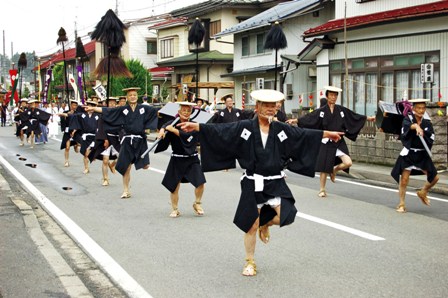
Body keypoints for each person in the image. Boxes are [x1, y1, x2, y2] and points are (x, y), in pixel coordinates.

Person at [178, 89, 342, 276]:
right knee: (251, 225)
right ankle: (250, 261)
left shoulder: (280, 128)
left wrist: (327, 133)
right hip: (252, 181)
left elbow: (302, 135)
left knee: (287, 215)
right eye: (266, 106)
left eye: (273, 106)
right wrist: (197, 127)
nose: (271, 109)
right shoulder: (245, 127)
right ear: (257, 107)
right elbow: (222, 130)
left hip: (274, 181)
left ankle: (266, 224)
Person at [287, 86, 375, 198]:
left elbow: (353, 116)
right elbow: (310, 118)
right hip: (327, 140)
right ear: (327, 96)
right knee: (324, 167)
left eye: (335, 95)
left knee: (348, 162)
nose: (333, 97)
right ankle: (322, 189)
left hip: (338, 140)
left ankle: (334, 170)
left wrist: (368, 118)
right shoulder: (322, 111)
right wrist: (295, 120)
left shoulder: (341, 110)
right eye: (331, 95)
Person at [84, 87, 158, 199]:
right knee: (127, 167)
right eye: (130, 95)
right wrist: (94, 108)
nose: (132, 96)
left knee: (145, 166)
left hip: (140, 140)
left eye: (134, 95)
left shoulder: (144, 108)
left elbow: (157, 113)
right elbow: (108, 111)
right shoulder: (123, 110)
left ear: (137, 96)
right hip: (128, 140)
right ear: (127, 98)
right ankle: (126, 190)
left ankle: (120, 163)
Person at [155, 101, 206, 218]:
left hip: (192, 158)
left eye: (188, 111)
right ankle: (175, 209)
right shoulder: (173, 123)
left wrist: (173, 130)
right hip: (177, 158)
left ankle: (197, 203)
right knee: (174, 185)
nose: (186, 113)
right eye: (184, 110)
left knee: (200, 183)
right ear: (179, 112)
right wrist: (163, 130)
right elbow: (164, 126)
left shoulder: (193, 125)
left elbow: (188, 138)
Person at [391, 99, 439, 213]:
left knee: (435, 177)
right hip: (409, 153)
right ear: (413, 109)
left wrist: (422, 130)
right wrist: (416, 127)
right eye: (418, 108)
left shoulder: (427, 122)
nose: (421, 110)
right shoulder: (408, 119)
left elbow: (431, 136)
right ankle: (401, 203)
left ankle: (423, 192)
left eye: (423, 108)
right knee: (404, 179)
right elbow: (406, 128)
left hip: (422, 154)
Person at [88, 97, 121, 186]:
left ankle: (113, 164)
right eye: (110, 103)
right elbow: (101, 128)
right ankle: (105, 178)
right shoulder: (103, 115)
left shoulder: (118, 114)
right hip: (106, 138)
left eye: (114, 103)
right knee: (105, 160)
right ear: (107, 104)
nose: (112, 105)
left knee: (122, 156)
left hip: (116, 139)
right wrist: (105, 139)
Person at [71, 97, 101, 174]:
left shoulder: (97, 116)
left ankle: (92, 156)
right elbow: (76, 119)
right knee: (85, 154)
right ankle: (86, 168)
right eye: (88, 106)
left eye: (92, 106)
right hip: (85, 136)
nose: (90, 108)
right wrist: (74, 129)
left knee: (88, 152)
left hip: (94, 136)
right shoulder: (83, 115)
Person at [58, 100, 83, 167]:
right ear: (70, 105)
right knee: (67, 147)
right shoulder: (66, 112)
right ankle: (66, 161)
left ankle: (76, 145)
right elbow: (62, 119)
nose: (74, 106)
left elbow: (79, 123)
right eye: (73, 105)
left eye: (75, 105)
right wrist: (67, 116)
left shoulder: (78, 113)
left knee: (80, 143)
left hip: (75, 131)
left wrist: (74, 130)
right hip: (68, 131)